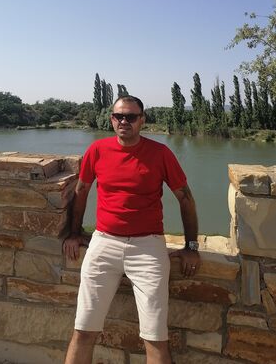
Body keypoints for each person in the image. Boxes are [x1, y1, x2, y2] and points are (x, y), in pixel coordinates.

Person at [63, 95, 201, 364]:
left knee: (155, 338)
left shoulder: (160, 153)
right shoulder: (97, 150)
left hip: (148, 248)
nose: (124, 121)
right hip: (104, 243)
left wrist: (191, 246)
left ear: (142, 120)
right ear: (111, 119)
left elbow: (186, 199)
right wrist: (74, 233)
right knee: (83, 330)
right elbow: (81, 191)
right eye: (118, 116)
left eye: (131, 117)